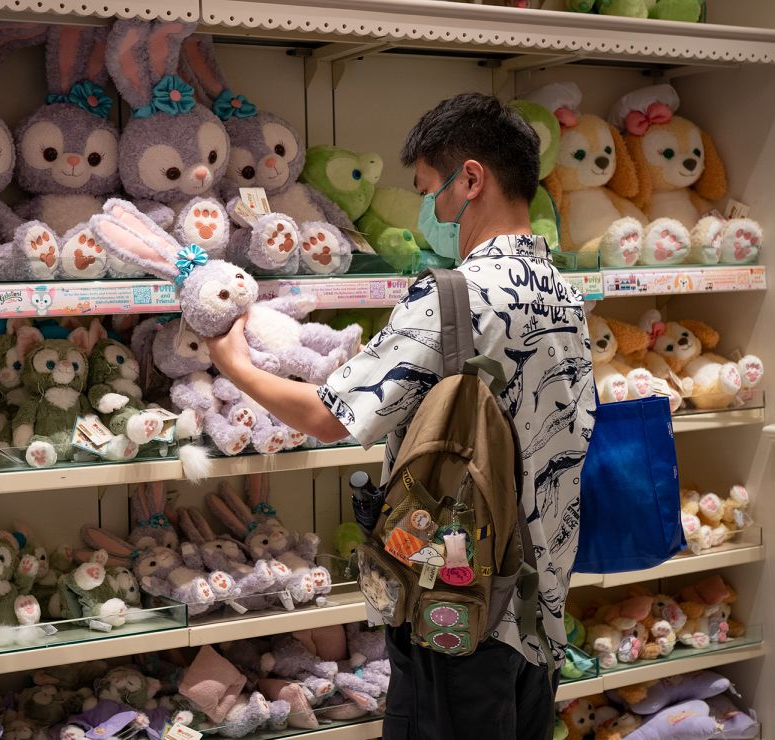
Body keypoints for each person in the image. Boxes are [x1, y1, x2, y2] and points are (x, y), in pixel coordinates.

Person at [207, 93, 595, 739]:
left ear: (471, 179)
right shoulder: (563, 292)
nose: (428, 212)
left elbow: (330, 417)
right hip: (540, 606)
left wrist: (234, 362)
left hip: (460, 609)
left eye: (427, 190)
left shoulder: (455, 295)